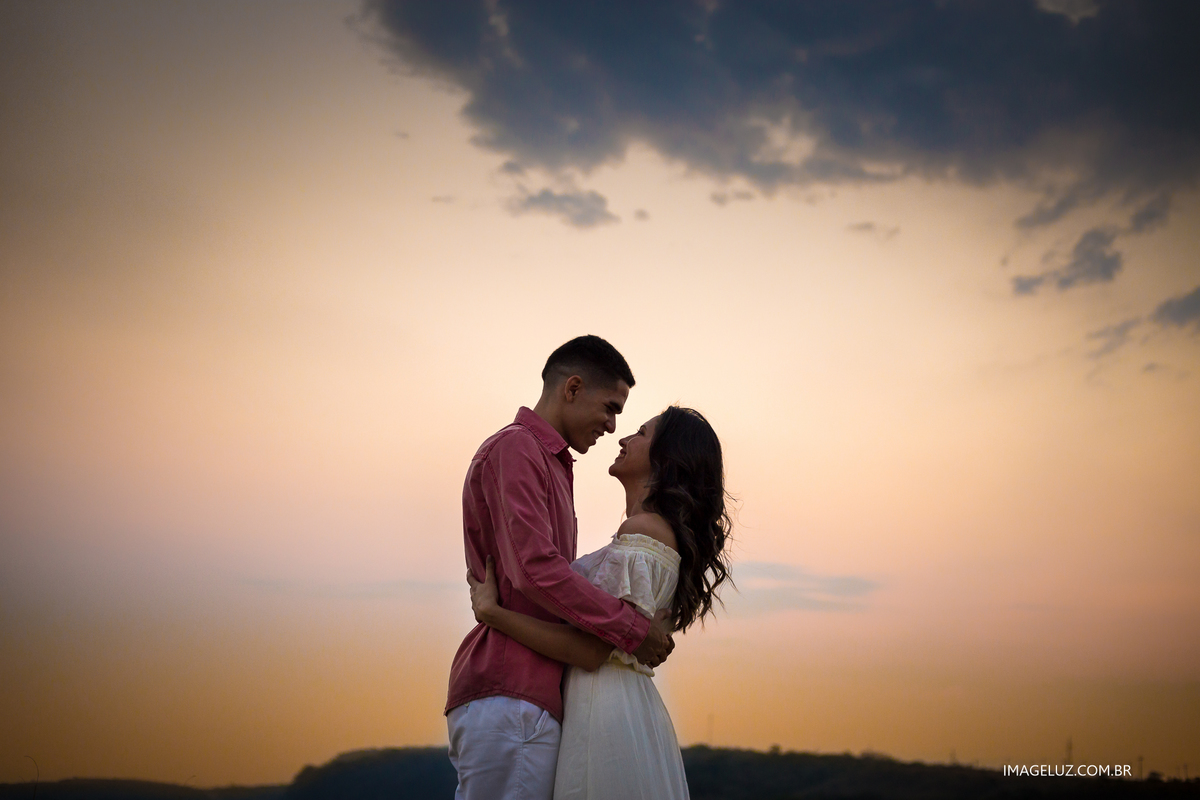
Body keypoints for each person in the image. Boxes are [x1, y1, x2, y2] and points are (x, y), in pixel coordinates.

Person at [446, 335, 676, 800]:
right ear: (572, 388)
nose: (612, 427)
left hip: (531, 694)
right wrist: (631, 628)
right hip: (511, 689)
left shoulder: (548, 462)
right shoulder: (517, 449)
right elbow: (535, 570)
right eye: (610, 407)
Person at [468, 405, 733, 800]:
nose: (623, 438)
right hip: (616, 704)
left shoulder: (644, 531)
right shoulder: (646, 535)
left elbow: (590, 651)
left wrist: (494, 615)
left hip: (603, 707)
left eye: (641, 434)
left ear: (666, 459)